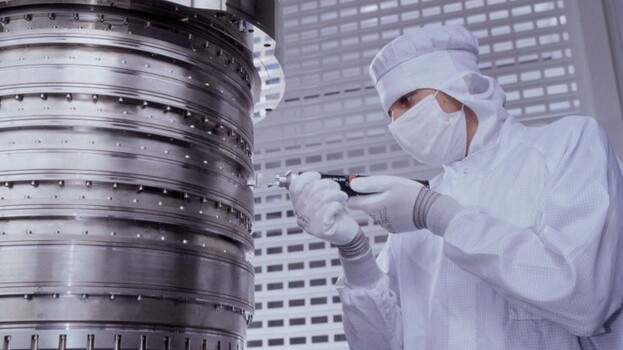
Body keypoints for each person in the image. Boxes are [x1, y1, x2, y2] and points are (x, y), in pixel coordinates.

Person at [287, 25, 623, 349]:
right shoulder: (416, 210)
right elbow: (379, 345)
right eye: (390, 113)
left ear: (463, 85)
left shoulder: (568, 145)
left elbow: (585, 297)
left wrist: (439, 215)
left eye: (406, 100)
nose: (398, 123)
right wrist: (355, 252)